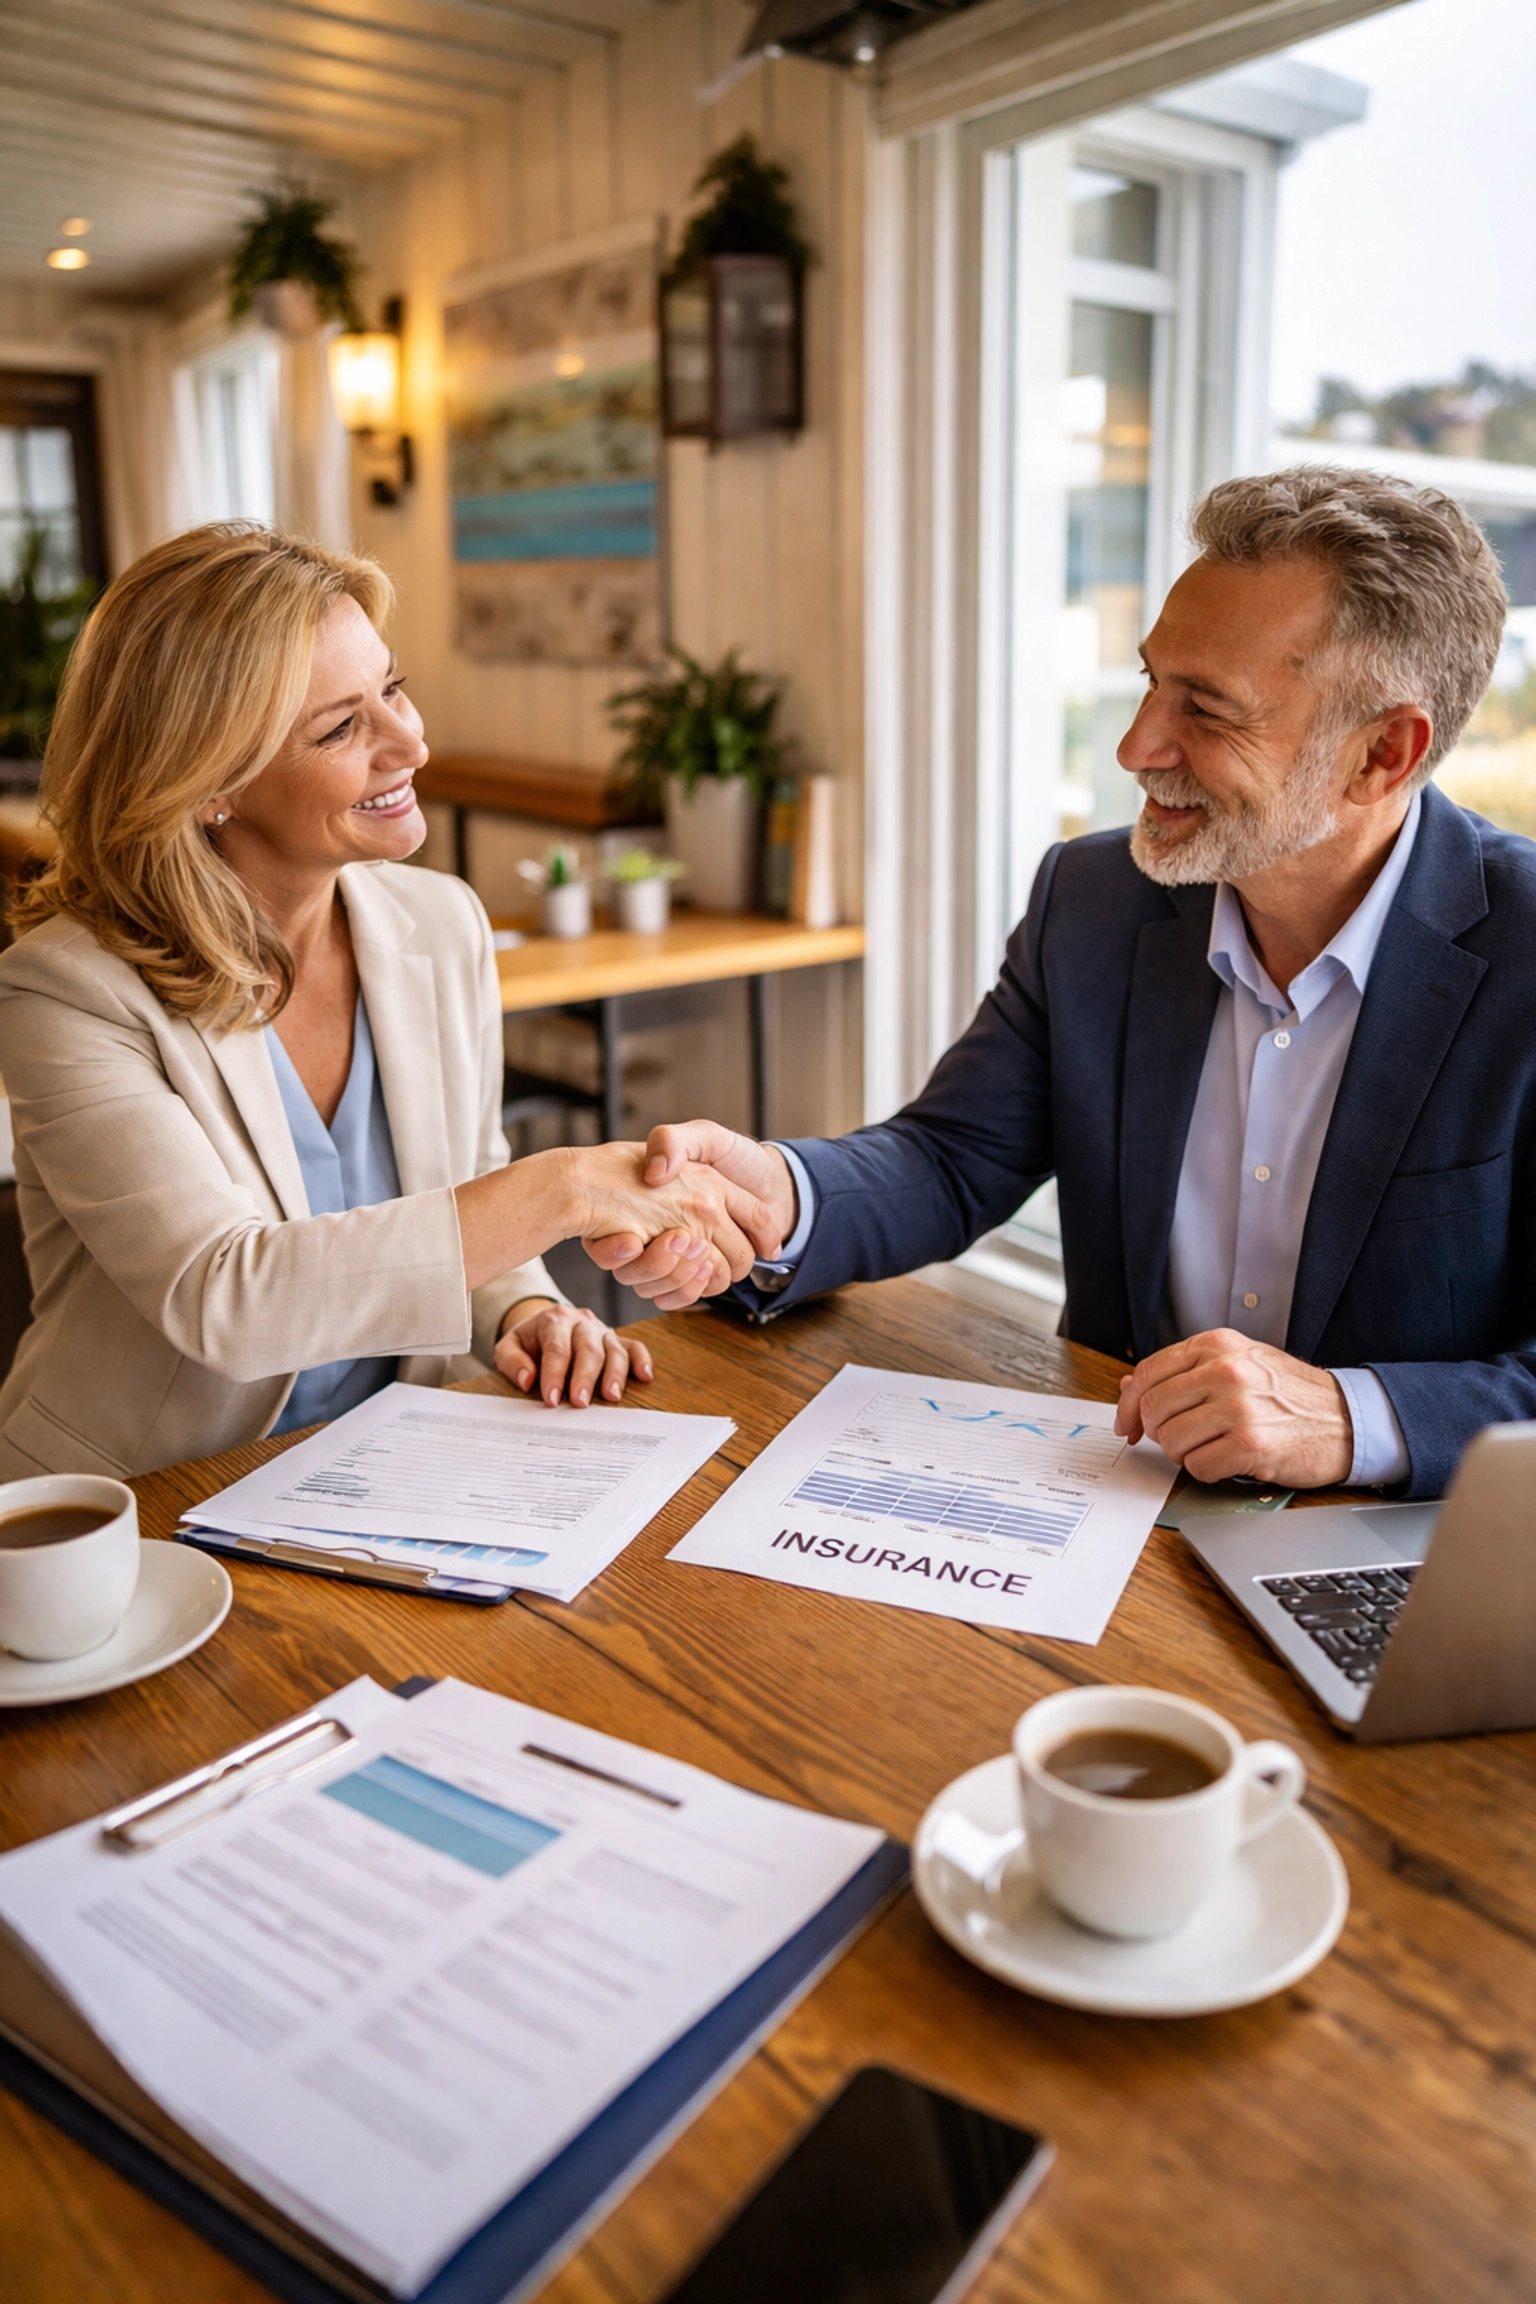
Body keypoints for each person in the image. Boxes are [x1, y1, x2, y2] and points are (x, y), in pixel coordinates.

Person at [591, 467, 1536, 1502]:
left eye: (1208, 710)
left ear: (1383, 755)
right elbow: (953, 1159)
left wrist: (1349, 1418)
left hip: (1411, 1555)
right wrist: (783, 1197)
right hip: (1111, 1505)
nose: (1137, 748)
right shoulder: (1094, 897)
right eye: (1149, 682)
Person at [0, 525, 777, 1481]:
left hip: (380, 1470)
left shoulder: (441, 923)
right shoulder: (64, 992)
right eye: (339, 727)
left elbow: (467, 1183)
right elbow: (226, 1299)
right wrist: (568, 1186)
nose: (410, 741)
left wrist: (524, 1314)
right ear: (208, 785)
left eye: (393, 689)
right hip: (146, 1503)